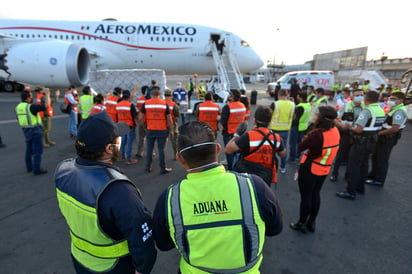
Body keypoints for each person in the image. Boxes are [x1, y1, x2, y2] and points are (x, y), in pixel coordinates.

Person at [152, 121, 283, 273]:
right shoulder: (255, 186)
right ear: (218, 149)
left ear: (180, 158)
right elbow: (275, 228)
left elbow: (163, 244)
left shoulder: (169, 198)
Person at [54, 112, 157, 273]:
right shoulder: (118, 190)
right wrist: (142, 269)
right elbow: (142, 240)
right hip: (114, 267)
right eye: (117, 137)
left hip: (80, 260)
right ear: (109, 149)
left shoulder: (63, 171)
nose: (120, 139)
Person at [290, 106, 340, 233]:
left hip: (310, 168)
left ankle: (301, 222)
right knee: (315, 194)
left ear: (321, 119)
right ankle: (311, 222)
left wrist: (309, 132)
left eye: (317, 114)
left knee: (306, 197)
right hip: (324, 169)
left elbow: (301, 147)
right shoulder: (335, 131)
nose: (315, 116)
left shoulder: (317, 135)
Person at [336, 91, 386, 200]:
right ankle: (360, 187)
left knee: (354, 165)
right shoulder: (380, 110)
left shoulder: (367, 111)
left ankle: (350, 191)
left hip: (361, 141)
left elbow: (358, 129)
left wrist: (350, 127)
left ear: (366, 98)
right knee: (364, 165)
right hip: (372, 141)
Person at [225, 105, 286, 186]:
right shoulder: (276, 138)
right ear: (270, 121)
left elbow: (228, 150)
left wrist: (237, 135)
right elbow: (282, 154)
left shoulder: (248, 136)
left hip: (247, 176)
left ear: (254, 121)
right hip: (265, 177)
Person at [367, 91, 408, 186]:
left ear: (401, 100)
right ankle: (372, 175)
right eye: (390, 98)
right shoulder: (394, 109)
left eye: (393, 99)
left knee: (382, 158)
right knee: (376, 156)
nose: (390, 101)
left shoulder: (399, 111)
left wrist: (379, 133)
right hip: (384, 137)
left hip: (388, 138)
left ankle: (379, 180)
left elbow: (394, 128)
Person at [330, 89, 364, 182]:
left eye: (361, 95)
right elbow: (335, 118)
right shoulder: (346, 106)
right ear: (352, 97)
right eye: (357, 95)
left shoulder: (365, 107)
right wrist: (341, 125)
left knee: (352, 157)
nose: (359, 97)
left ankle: (348, 175)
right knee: (340, 155)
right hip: (346, 133)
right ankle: (334, 173)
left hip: (358, 134)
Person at [138, 86, 174, 174]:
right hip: (162, 130)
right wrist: (171, 130)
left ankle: (148, 167)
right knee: (161, 150)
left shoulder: (146, 104)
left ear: (151, 94)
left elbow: (140, 117)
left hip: (150, 129)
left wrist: (144, 126)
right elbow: (169, 119)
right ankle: (163, 168)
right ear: (160, 94)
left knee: (149, 149)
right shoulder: (164, 104)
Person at [16, 89, 50, 175]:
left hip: (25, 130)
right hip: (35, 130)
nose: (32, 98)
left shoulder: (18, 107)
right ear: (27, 98)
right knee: (37, 151)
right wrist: (47, 94)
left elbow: (18, 118)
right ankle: (37, 169)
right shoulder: (31, 107)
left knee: (29, 150)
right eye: (31, 97)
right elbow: (47, 105)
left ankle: (29, 167)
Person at [269, 89, 295, 174]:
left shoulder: (275, 104)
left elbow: (269, 114)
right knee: (283, 149)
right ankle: (283, 167)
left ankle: (273, 165)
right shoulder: (292, 104)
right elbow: (294, 117)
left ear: (279, 95)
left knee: (272, 148)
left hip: (274, 129)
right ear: (287, 95)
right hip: (286, 129)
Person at [220, 89, 246, 170]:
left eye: (229, 95)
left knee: (229, 153)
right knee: (237, 153)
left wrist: (219, 118)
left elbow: (222, 121)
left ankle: (231, 170)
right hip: (240, 133)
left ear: (232, 97)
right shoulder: (242, 106)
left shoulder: (227, 107)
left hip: (229, 133)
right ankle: (237, 168)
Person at [116, 90, 138, 164]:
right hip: (129, 125)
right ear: (129, 97)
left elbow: (116, 115)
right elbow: (135, 116)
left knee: (123, 141)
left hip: (121, 125)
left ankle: (121, 155)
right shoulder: (130, 105)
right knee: (129, 142)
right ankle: (128, 158)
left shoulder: (118, 105)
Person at [288, 92, 311, 162]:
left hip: (296, 126)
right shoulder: (308, 105)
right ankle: (298, 155)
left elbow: (295, 117)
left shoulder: (300, 107)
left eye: (298, 97)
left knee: (293, 143)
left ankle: (292, 157)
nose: (297, 98)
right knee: (299, 142)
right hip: (303, 126)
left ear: (301, 98)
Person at [164, 88, 180, 160]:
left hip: (163, 125)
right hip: (172, 124)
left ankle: (162, 153)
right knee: (174, 140)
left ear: (164, 95)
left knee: (163, 140)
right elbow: (177, 114)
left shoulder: (161, 103)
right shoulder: (174, 104)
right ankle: (175, 155)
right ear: (171, 95)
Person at [136, 86, 148, 158]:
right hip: (149, 120)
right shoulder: (149, 100)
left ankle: (140, 152)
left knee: (141, 137)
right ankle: (152, 152)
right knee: (150, 138)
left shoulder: (138, 100)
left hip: (141, 120)